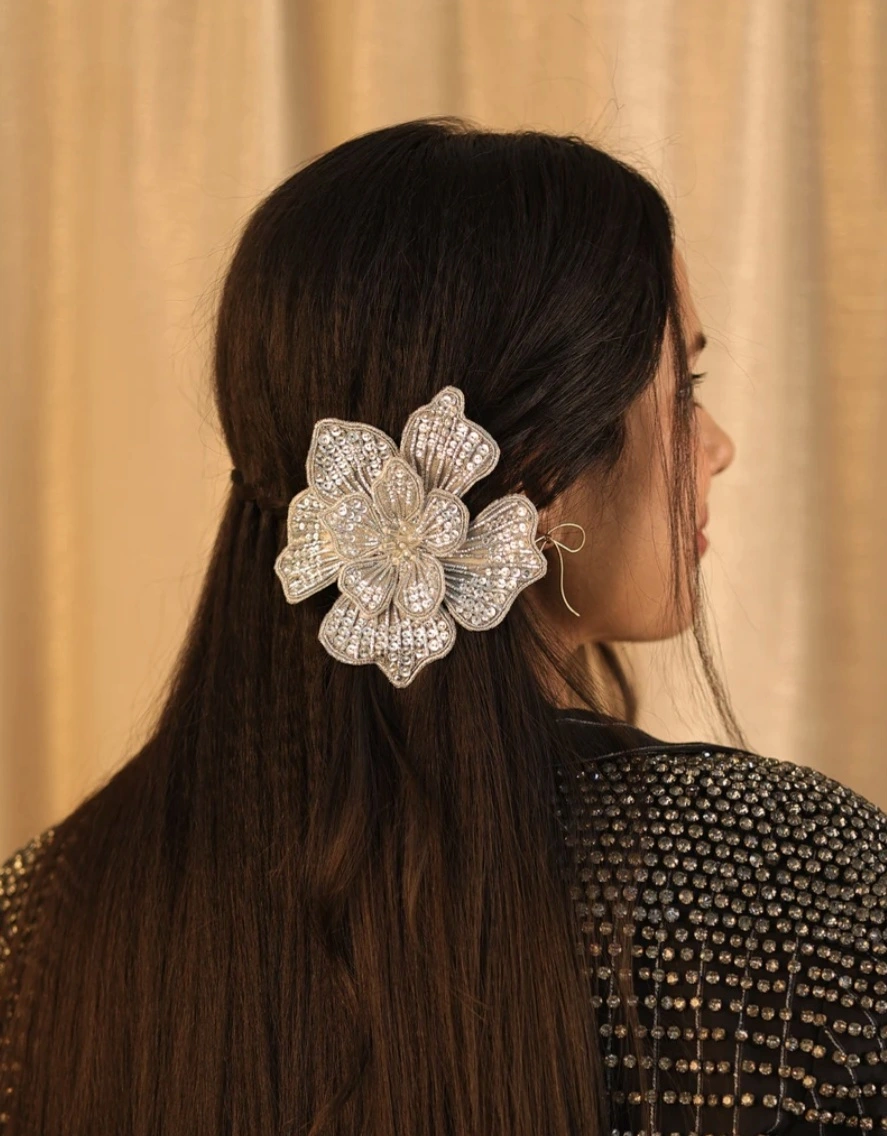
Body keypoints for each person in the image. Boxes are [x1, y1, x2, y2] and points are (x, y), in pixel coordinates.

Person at [2, 116, 886, 1136]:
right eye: (682, 389)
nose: (716, 445)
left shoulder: (40, 919)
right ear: (538, 469)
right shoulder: (786, 885)